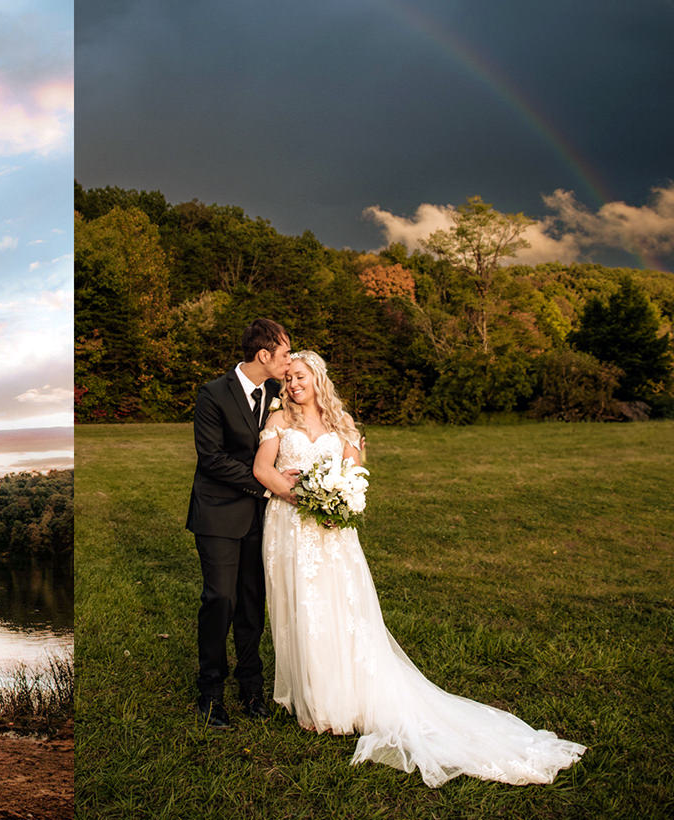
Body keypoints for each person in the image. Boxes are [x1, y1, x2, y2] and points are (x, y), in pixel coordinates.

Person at [254, 350, 586, 786]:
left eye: (301, 376)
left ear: (317, 378)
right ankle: (315, 702)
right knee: (301, 608)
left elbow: (355, 474)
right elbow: (262, 470)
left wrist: (337, 498)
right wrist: (305, 498)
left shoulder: (343, 423)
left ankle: (348, 699)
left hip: (334, 533)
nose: (294, 384)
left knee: (340, 610)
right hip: (292, 526)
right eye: (289, 377)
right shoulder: (278, 422)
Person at [186, 318, 298, 727]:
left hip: (261, 518)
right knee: (221, 601)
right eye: (285, 353)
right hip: (217, 513)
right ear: (264, 355)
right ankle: (210, 694)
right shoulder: (213, 394)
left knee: (253, 603)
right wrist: (269, 486)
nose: (290, 361)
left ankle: (251, 688)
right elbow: (212, 460)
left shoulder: (278, 392)